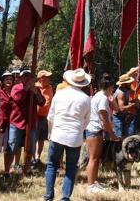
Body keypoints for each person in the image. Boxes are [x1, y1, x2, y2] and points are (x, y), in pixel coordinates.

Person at [44, 69, 92, 201]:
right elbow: (86, 121)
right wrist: (78, 129)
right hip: (74, 136)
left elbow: (51, 117)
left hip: (58, 133)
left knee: (52, 165)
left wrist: (50, 132)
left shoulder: (59, 94)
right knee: (71, 168)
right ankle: (65, 197)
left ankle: (48, 196)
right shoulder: (86, 99)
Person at [5, 69, 45, 175]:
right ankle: (7, 171)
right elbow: (18, 98)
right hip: (17, 122)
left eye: (29, 76)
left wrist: (36, 93)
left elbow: (42, 102)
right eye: (25, 76)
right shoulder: (16, 87)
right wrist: (27, 88)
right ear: (21, 78)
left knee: (30, 148)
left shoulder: (35, 89)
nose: (27, 78)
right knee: (12, 147)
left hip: (31, 123)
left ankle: (26, 170)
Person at [85, 73, 119, 193]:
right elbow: (104, 118)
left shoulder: (100, 96)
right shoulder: (102, 98)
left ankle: (94, 182)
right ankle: (90, 186)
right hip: (94, 131)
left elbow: (115, 110)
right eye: (112, 88)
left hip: (95, 131)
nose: (113, 90)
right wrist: (112, 134)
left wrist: (112, 101)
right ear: (110, 87)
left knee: (95, 158)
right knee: (93, 159)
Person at [34, 70, 54, 166]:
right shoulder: (35, 87)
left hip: (45, 117)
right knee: (34, 138)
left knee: (41, 139)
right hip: (35, 117)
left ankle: (38, 157)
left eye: (48, 78)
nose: (48, 79)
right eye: (45, 78)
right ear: (40, 79)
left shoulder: (50, 88)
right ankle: (32, 158)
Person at [113, 74, 140, 138]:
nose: (131, 83)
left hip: (123, 116)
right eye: (129, 82)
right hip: (118, 117)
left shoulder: (125, 90)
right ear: (125, 84)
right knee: (119, 138)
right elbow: (122, 108)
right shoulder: (121, 93)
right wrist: (133, 105)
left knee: (125, 137)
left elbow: (134, 91)